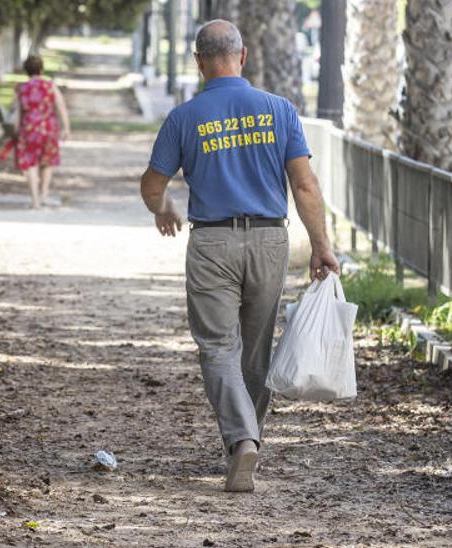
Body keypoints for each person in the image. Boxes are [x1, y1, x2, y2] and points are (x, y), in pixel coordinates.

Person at [138, 19, 340, 492]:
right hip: (270, 240)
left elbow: (151, 184)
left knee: (217, 347)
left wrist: (164, 208)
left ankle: (241, 440)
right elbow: (305, 184)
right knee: (254, 351)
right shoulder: (278, 110)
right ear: (242, 56)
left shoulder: (184, 118)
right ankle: (247, 441)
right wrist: (321, 245)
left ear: (198, 62)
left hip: (212, 244)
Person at [10, 55, 70, 208]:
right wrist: (66, 128)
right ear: (41, 69)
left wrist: (16, 131)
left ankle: (35, 200)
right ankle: (44, 196)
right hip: (48, 128)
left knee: (30, 164)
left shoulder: (20, 88)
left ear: (26, 71)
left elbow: (17, 112)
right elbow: (61, 107)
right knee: (47, 162)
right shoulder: (50, 86)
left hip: (28, 129)